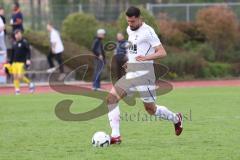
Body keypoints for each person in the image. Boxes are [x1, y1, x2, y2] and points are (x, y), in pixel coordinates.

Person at [107, 6, 183, 144]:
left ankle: (176, 118)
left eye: (132, 21)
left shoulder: (148, 32)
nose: (130, 24)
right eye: (128, 21)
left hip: (145, 76)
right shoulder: (129, 29)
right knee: (111, 98)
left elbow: (162, 52)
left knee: (151, 109)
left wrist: (146, 58)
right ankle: (116, 136)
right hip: (131, 73)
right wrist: (130, 62)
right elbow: (134, 49)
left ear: (139, 18)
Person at [10, 30, 35, 95]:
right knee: (15, 76)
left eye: (18, 34)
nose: (17, 35)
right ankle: (17, 90)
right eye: (16, 34)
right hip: (14, 63)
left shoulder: (24, 42)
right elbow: (12, 54)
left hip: (21, 62)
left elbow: (28, 51)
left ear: (21, 34)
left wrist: (28, 59)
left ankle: (30, 84)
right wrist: (10, 62)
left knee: (20, 76)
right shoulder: (14, 43)